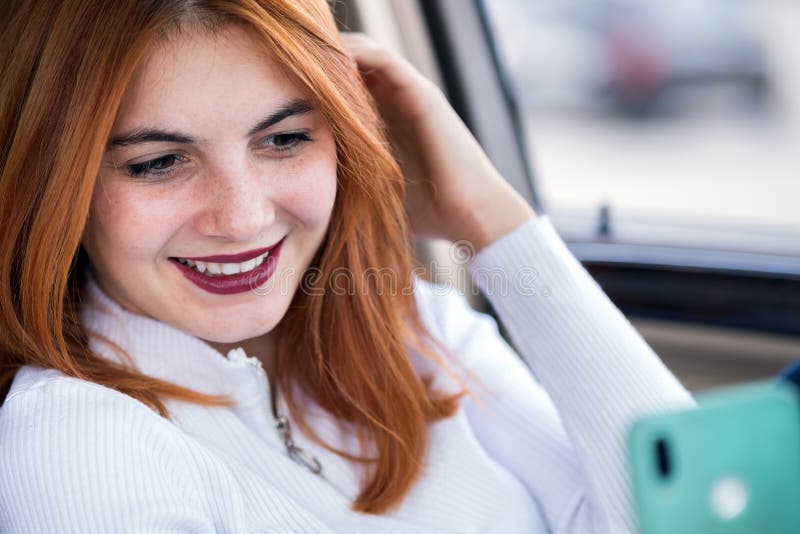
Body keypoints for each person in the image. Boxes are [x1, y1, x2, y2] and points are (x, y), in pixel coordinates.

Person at [0, 1, 694, 532]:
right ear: (58, 182)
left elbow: (692, 510)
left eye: (283, 139)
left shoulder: (415, 328)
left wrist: (492, 219)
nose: (242, 218)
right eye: (157, 162)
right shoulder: (77, 442)